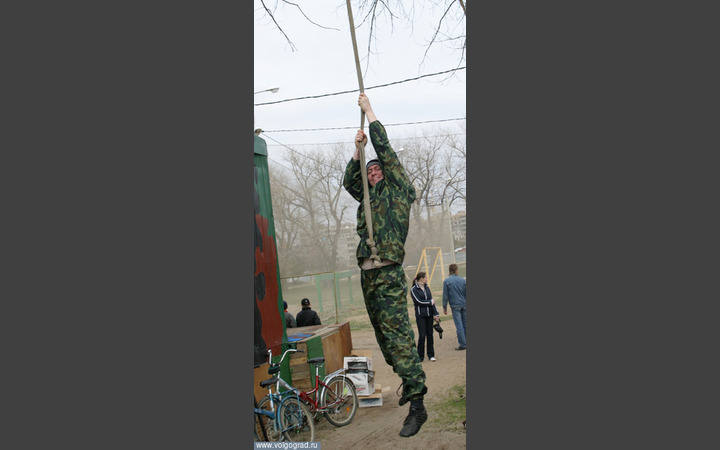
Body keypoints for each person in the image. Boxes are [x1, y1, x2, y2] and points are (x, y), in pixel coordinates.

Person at [342, 93, 427, 438]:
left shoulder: (399, 191)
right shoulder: (368, 196)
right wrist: (357, 150)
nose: (373, 172)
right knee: (384, 337)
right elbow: (351, 181)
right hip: (368, 275)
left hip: (388, 269)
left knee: (397, 336)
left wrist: (369, 114)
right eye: (370, 170)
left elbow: (388, 155)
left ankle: (418, 403)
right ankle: (408, 380)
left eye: (377, 169)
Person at [410, 272, 440, 362]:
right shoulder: (413, 289)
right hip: (420, 316)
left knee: (430, 335)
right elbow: (418, 302)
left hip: (429, 315)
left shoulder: (427, 287)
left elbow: (432, 302)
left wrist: (436, 314)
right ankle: (420, 356)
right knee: (422, 336)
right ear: (421, 279)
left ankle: (431, 355)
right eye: (425, 277)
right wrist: (429, 302)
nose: (426, 279)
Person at [442, 264, 466, 350]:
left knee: (459, 324)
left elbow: (445, 296)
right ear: (456, 270)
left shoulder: (447, 281)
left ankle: (463, 344)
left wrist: (444, 307)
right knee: (465, 323)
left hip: (455, 305)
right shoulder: (462, 280)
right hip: (464, 303)